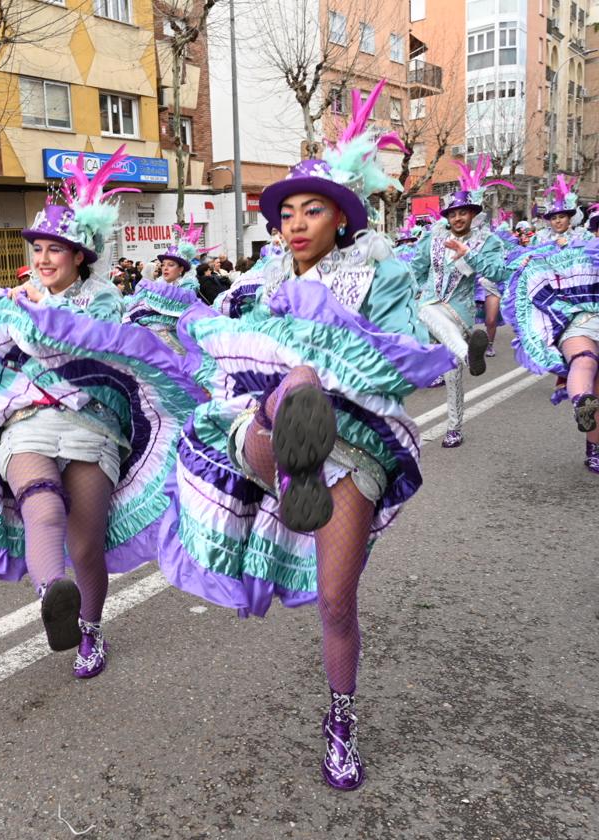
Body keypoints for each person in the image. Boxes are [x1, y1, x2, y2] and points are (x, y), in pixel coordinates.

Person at [157, 82, 455, 790]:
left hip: (351, 449)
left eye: (311, 209)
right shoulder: (255, 281)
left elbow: (406, 359)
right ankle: (291, 433)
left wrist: (339, 331)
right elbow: (215, 343)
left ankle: (340, 719)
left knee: (336, 600)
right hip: (262, 433)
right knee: (294, 385)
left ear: (342, 218)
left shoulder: (380, 275)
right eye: (285, 211)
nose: (294, 223)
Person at [0, 146, 202, 678]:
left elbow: (92, 350)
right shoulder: (20, 298)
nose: (44, 259)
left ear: (79, 257)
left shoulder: (102, 304)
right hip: (26, 421)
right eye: (39, 250)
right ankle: (55, 596)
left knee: (87, 539)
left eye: (56, 250)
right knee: (40, 506)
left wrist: (29, 318)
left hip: (92, 426)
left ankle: (90, 627)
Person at [408, 156, 509, 448]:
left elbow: (499, 272)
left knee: (452, 374)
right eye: (452, 214)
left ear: (472, 214)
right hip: (427, 306)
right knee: (423, 309)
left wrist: (469, 255)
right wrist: (405, 289)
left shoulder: (485, 242)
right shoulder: (432, 238)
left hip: (459, 314)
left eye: (463, 212)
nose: (457, 218)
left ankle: (454, 427)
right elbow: (417, 269)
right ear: (447, 217)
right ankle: (468, 354)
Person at [500, 208, 599, 475]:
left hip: (582, 321)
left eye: (562, 216)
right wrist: (523, 262)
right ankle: (582, 405)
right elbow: (519, 265)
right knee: (584, 362)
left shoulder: (579, 243)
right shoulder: (562, 247)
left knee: (588, 370)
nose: (557, 221)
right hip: (578, 319)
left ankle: (592, 443)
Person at [123, 217, 209, 353]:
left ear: (181, 269)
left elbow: (182, 306)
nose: (165, 268)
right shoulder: (156, 284)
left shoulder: (188, 285)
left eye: (171, 265)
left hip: (180, 341)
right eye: (163, 265)